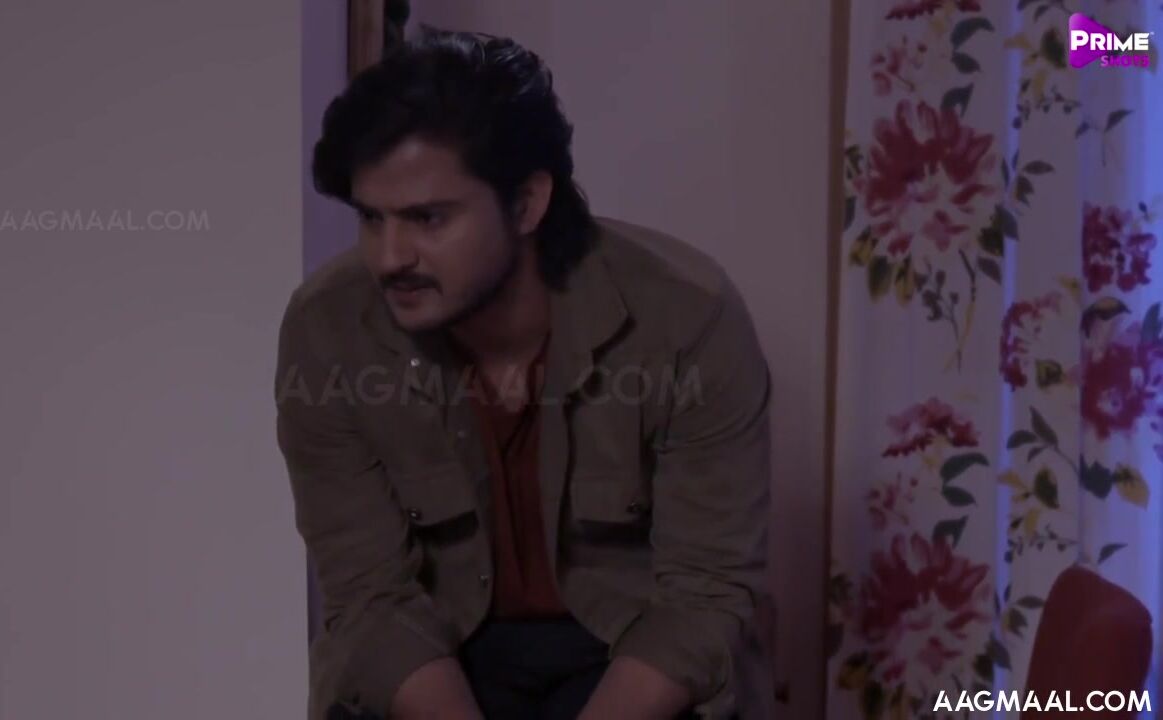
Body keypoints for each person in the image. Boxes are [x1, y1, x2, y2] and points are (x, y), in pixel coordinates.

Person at [276, 27, 774, 720]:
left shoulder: (687, 316)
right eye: (370, 218)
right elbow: (369, 597)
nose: (389, 257)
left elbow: (703, 595)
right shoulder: (327, 328)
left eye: (427, 218)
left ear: (527, 203)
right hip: (436, 654)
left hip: (630, 651)